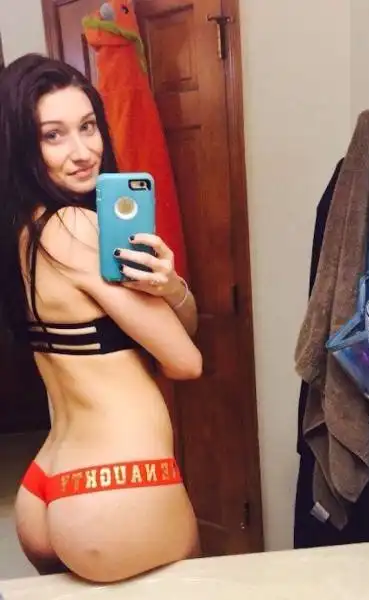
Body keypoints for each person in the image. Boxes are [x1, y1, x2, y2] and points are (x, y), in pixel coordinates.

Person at [0, 53, 202, 583]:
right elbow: (186, 360)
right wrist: (172, 299)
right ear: (22, 145)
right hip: (119, 483)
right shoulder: (80, 227)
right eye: (54, 135)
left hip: (49, 479)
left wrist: (169, 287)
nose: (83, 151)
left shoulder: (24, 230)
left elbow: (174, 331)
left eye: (88, 126)